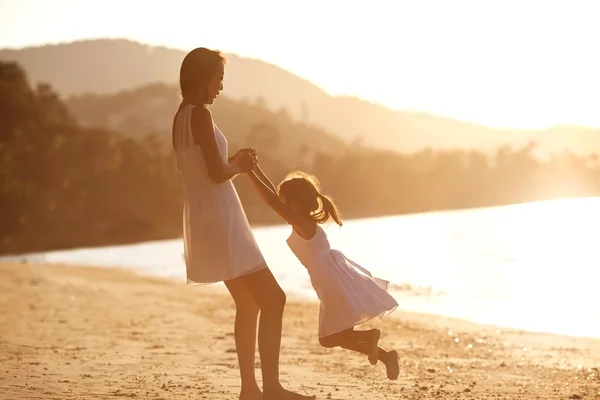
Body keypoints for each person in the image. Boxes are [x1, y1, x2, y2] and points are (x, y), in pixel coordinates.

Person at [171, 47, 315, 400]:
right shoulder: (200, 115)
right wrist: (241, 166)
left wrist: (231, 162)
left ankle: (251, 389)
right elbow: (218, 173)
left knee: (250, 303)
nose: (220, 87)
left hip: (206, 214)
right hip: (220, 217)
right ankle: (272, 389)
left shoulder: (181, 116)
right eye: (218, 79)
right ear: (202, 78)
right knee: (275, 299)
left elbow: (205, 169)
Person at [246, 165, 401, 380]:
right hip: (332, 278)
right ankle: (384, 355)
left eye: (284, 201)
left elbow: (272, 201)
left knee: (328, 338)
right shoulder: (304, 222)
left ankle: (371, 337)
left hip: (330, 281)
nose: (280, 205)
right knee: (337, 335)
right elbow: (274, 196)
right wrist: (254, 168)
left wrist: (249, 172)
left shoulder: (302, 224)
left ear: (294, 204)